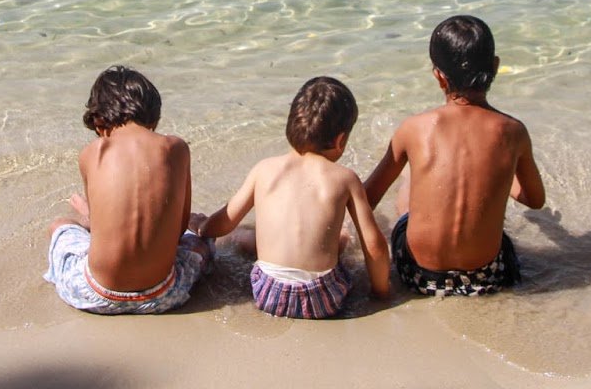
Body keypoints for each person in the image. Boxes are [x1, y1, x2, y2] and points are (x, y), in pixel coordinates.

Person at [363, 15, 546, 296]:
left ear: (439, 76)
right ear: (495, 66)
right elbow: (535, 200)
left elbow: (368, 199)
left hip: (419, 276)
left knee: (410, 183)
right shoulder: (513, 132)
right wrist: (501, 178)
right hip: (487, 277)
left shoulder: (414, 129)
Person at [200, 77, 390, 318]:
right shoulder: (345, 178)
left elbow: (225, 221)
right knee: (341, 236)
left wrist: (203, 228)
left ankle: (245, 242)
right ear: (340, 140)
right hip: (323, 298)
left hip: (268, 293)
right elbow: (374, 247)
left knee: (241, 234)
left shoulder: (264, 169)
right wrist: (381, 293)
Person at [44, 66, 213, 314]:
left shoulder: (95, 152)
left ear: (100, 121)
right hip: (165, 294)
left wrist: (87, 215)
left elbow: (99, 225)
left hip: (95, 295)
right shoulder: (175, 148)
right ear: (153, 118)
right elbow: (178, 230)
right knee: (200, 241)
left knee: (59, 225)